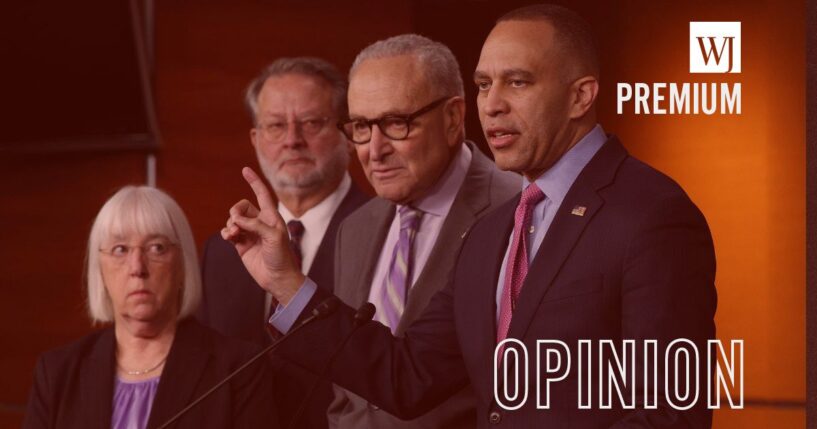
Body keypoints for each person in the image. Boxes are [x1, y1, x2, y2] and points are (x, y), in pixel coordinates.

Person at [223, 4, 717, 428]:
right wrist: (286, 283)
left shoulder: (652, 215)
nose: (494, 105)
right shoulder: (493, 232)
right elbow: (406, 375)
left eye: (518, 82)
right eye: (484, 84)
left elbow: (669, 415)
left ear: (580, 96)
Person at [329, 34, 517, 428]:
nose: (373, 150)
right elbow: (348, 392)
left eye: (397, 123)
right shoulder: (354, 228)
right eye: (361, 126)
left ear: (452, 119)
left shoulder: (517, 210)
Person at [196, 57, 369, 428]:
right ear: (256, 140)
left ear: (349, 134)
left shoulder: (383, 231)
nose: (293, 140)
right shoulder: (221, 253)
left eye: (311, 123)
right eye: (276, 126)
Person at [24, 186, 276, 429]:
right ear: (99, 269)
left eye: (156, 247)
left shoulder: (239, 369)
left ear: (182, 264)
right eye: (120, 249)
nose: (137, 267)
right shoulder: (57, 372)